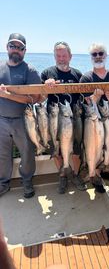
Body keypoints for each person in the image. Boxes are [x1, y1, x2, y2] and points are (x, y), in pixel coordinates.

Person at [41, 42, 87, 194]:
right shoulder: (47, 73)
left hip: (74, 120)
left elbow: (84, 97)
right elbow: (39, 99)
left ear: (70, 56)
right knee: (56, 149)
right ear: (55, 57)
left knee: (75, 150)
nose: (61, 58)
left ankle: (75, 174)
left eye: (64, 55)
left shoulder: (78, 74)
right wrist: (45, 88)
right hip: (54, 119)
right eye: (58, 56)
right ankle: (62, 175)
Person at [0, 33, 42, 198]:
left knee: (27, 153)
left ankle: (27, 181)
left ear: (25, 51)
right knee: (2, 154)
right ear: (7, 48)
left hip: (23, 120)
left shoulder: (29, 70)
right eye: (13, 46)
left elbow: (36, 98)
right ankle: (3, 183)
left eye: (20, 47)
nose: (16, 50)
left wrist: (7, 95)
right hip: (1, 120)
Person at [80, 43, 109, 193]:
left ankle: (106, 169)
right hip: (93, 121)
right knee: (95, 146)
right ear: (91, 58)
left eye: (100, 53)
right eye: (94, 54)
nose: (98, 56)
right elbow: (85, 103)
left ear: (106, 55)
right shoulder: (86, 77)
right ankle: (94, 174)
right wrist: (95, 98)